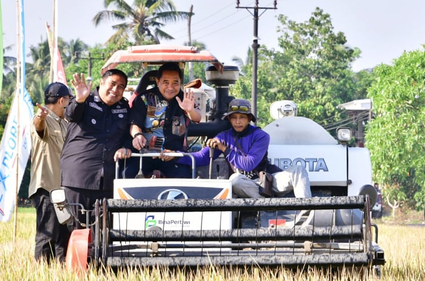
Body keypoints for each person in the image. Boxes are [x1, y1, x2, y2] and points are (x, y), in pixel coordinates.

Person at [178, 98, 312, 201]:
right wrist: (175, 155)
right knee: (235, 180)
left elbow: (248, 165)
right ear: (229, 119)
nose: (238, 122)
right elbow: (201, 158)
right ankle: (268, 206)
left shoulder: (261, 136)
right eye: (234, 118)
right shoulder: (223, 137)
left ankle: (307, 214)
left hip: (269, 181)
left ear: (249, 119)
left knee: (298, 170)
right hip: (245, 185)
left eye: (242, 117)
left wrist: (223, 148)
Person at [60, 70, 133, 217]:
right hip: (79, 177)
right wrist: (80, 99)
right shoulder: (85, 99)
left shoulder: (124, 108)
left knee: (104, 231)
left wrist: (126, 147)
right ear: (101, 83)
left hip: (108, 180)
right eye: (112, 84)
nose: (115, 90)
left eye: (121, 86)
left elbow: (128, 134)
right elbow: (70, 115)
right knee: (77, 228)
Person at [125, 63, 200, 178]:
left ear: (180, 83)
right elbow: (135, 122)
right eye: (166, 82)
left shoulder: (186, 99)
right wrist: (137, 135)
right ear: (157, 81)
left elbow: (197, 118)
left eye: (175, 83)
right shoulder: (144, 98)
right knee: (127, 174)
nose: (170, 87)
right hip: (145, 154)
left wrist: (190, 110)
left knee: (186, 179)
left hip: (173, 155)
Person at [28, 82, 72, 263]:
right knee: (47, 235)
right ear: (62, 100)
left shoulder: (66, 123)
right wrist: (41, 116)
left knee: (64, 236)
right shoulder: (44, 119)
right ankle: (42, 277)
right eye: (70, 100)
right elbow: (39, 126)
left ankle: (61, 277)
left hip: (63, 190)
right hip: (47, 188)